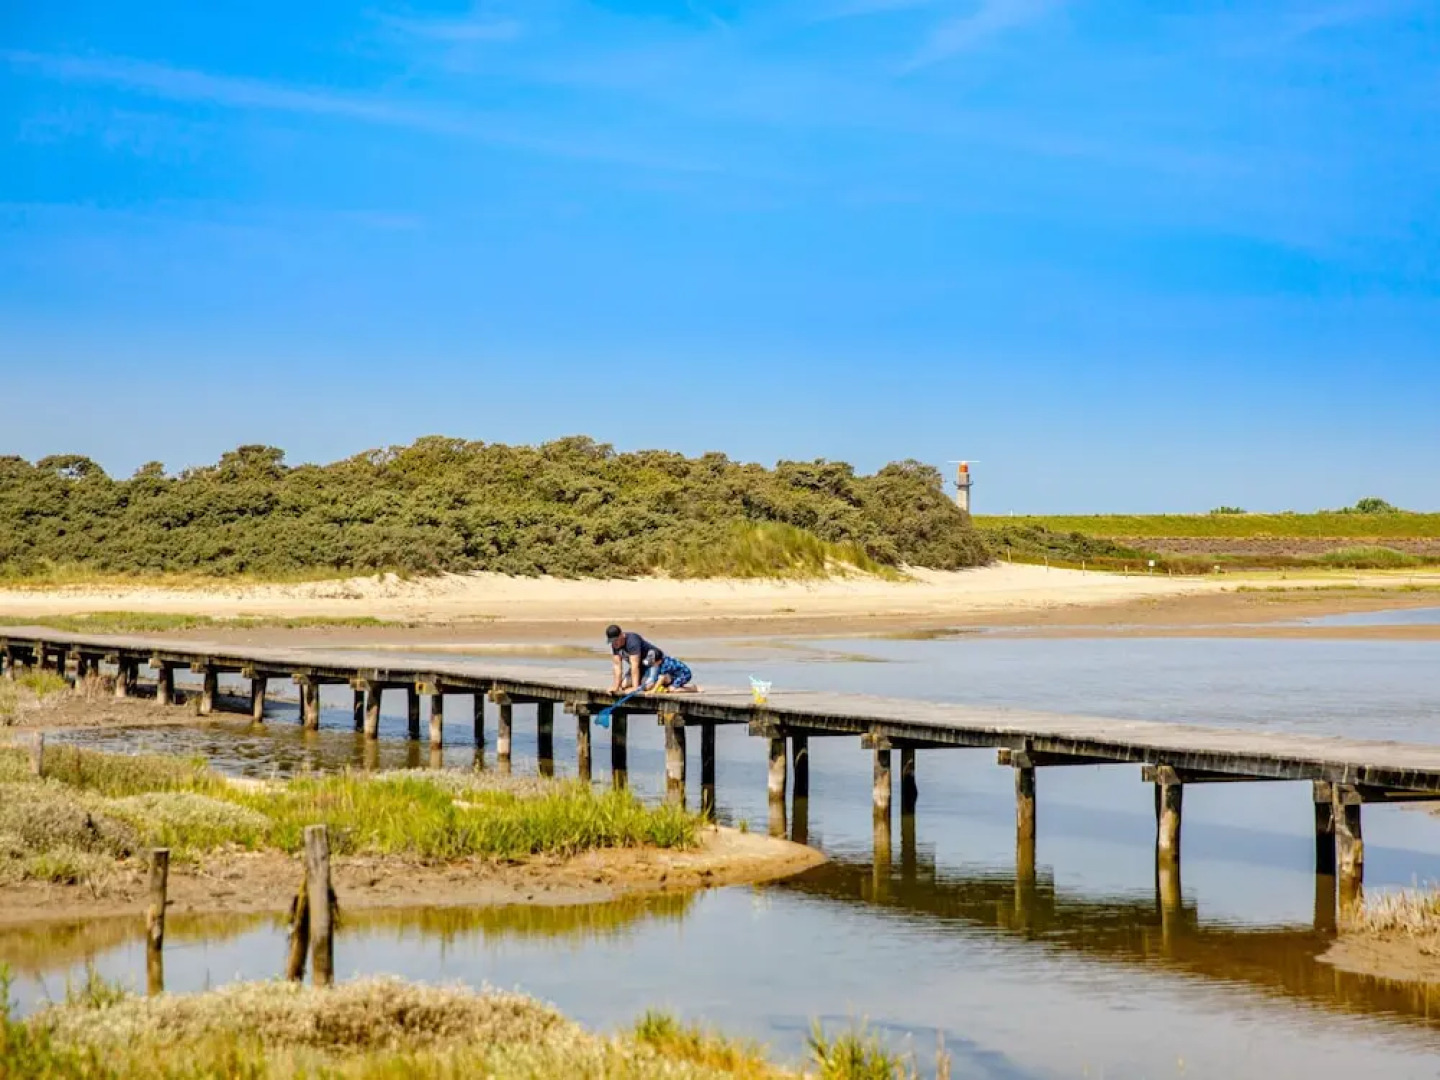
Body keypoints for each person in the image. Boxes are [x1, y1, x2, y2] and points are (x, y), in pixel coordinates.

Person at [605, 624, 699, 693]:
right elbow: (617, 666)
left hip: (652, 663)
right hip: (642, 666)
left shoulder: (632, 641)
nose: (614, 644)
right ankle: (663, 683)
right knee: (624, 685)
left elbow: (635, 666)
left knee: (647, 687)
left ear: (622, 635)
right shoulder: (615, 645)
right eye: (612, 642)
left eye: (616, 640)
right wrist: (615, 687)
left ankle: (685, 687)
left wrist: (635, 688)